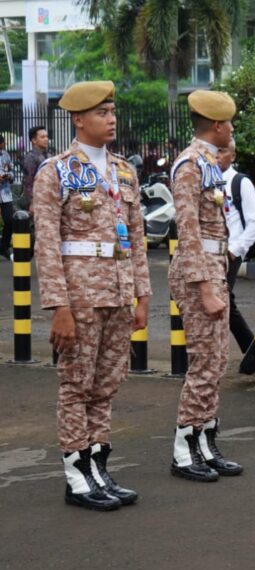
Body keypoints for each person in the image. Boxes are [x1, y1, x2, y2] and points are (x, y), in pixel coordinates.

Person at [33, 81, 151, 510]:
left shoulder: (124, 170)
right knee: (75, 386)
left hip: (119, 292)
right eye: (102, 112)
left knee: (106, 386)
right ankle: (76, 474)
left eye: (113, 111)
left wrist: (142, 295)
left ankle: (99, 466)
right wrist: (58, 308)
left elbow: (135, 238)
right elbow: (46, 244)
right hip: (80, 297)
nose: (111, 118)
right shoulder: (57, 171)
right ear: (78, 119)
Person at [167, 90, 244, 482]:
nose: (231, 129)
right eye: (228, 123)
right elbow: (189, 230)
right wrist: (206, 288)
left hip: (214, 265)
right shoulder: (190, 165)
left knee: (216, 362)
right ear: (216, 125)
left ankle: (206, 440)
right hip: (199, 271)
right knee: (203, 361)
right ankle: (184, 449)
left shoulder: (209, 162)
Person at [218, 140, 255, 357]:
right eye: (215, 150)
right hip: (209, 252)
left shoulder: (239, 182)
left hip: (230, 252)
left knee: (223, 301)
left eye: (223, 151)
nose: (217, 155)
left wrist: (236, 250)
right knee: (225, 302)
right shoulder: (204, 180)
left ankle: (253, 354)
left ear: (233, 156)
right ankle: (253, 353)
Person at [22, 126, 52, 210]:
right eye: (42, 137)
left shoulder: (49, 155)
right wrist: (32, 202)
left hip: (49, 197)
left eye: (47, 136)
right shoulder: (30, 157)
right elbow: (28, 182)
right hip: (38, 199)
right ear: (34, 140)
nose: (46, 139)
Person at [0, 136, 13, 259]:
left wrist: (8, 176)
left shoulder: (5, 155)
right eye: (3, 143)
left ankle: (4, 247)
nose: (4, 145)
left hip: (6, 194)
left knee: (9, 220)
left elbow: (11, 169)